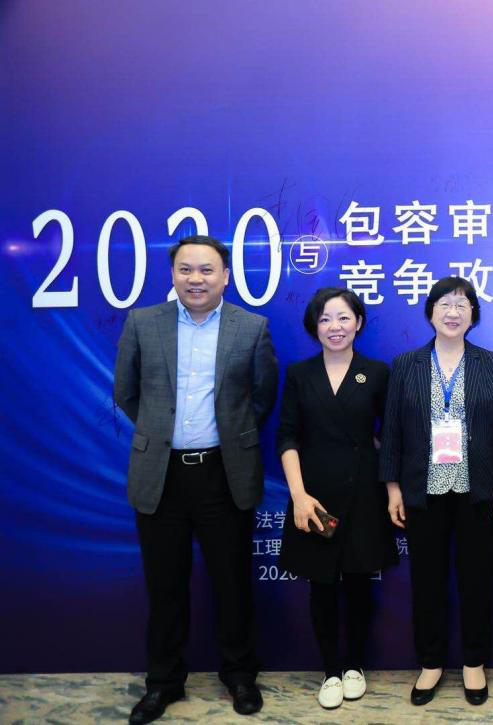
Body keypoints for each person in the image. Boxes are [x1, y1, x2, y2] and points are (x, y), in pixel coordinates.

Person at [113, 235, 278, 724]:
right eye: (186, 269)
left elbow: (261, 397)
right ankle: (163, 683)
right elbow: (126, 392)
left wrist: (228, 438)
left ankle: (240, 676)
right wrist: (159, 434)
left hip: (223, 474)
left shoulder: (251, 327)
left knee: (233, 583)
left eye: (207, 270)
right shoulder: (144, 322)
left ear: (225, 276)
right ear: (173, 275)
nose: (196, 279)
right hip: (160, 475)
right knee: (165, 587)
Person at [379, 276, 493, 707]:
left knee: (478, 580)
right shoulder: (406, 364)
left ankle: (474, 662)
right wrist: (393, 488)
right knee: (427, 582)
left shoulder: (488, 363)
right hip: (424, 490)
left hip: (478, 489)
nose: (453, 312)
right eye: (444, 303)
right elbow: (393, 431)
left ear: (473, 314)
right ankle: (431, 663)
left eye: (462, 304)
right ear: (430, 312)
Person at [276, 287, 397, 710]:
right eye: (325, 319)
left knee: (360, 584)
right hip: (315, 496)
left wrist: (391, 485)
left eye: (344, 317)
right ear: (314, 326)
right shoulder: (299, 374)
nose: (335, 327)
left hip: (364, 493)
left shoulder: (376, 372)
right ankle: (330, 671)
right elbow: (287, 437)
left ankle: (354, 667)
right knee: (322, 587)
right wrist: (299, 496)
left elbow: (390, 436)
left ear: (358, 323)